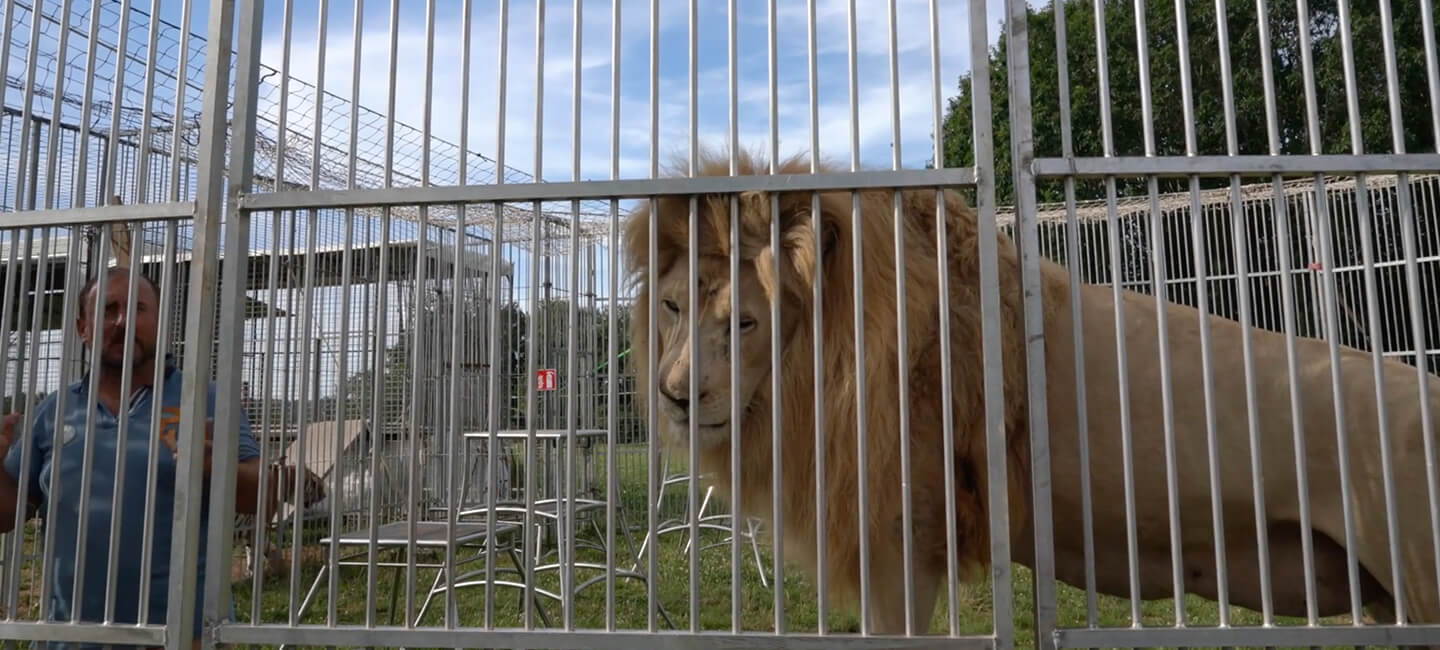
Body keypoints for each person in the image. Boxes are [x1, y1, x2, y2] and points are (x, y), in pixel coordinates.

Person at [0, 266, 277, 649]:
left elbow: (261, 498)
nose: (123, 320)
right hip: (68, 636)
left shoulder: (204, 400)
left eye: (138, 308)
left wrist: (217, 469)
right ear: (83, 327)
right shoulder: (54, 411)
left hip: (180, 636)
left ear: (160, 322)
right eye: (109, 309)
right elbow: (7, 514)